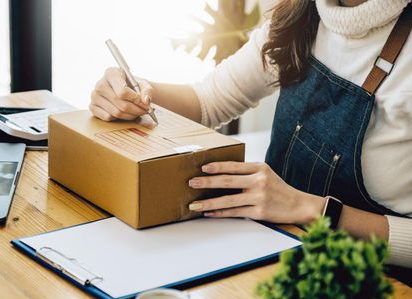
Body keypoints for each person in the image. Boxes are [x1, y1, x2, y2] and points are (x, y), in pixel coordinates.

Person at [89, 0, 412, 268]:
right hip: (279, 253)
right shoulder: (301, 11)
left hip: (378, 285)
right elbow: (208, 102)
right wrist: (136, 94)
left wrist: (314, 211)